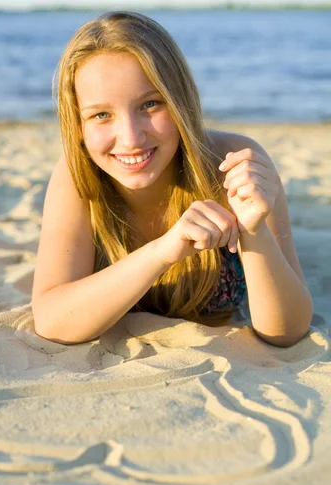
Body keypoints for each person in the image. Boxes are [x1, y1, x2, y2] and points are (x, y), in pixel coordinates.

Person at [31, 10, 313, 347]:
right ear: (78, 125)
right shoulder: (80, 175)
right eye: (101, 115)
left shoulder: (233, 166)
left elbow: (288, 332)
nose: (131, 137)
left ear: (180, 102)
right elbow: (51, 320)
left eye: (150, 104)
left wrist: (255, 233)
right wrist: (162, 252)